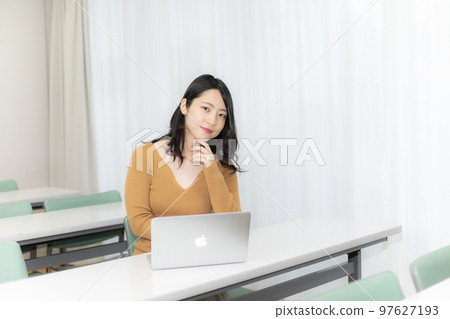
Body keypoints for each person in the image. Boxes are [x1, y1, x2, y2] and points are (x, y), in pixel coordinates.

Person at [125, 74, 241, 256]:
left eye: (221, 115)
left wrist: (211, 168)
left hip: (200, 258)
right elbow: (138, 222)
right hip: (151, 260)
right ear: (184, 106)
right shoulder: (144, 156)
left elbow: (233, 225)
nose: (212, 121)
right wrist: (191, 235)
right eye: (205, 108)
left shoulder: (222, 167)